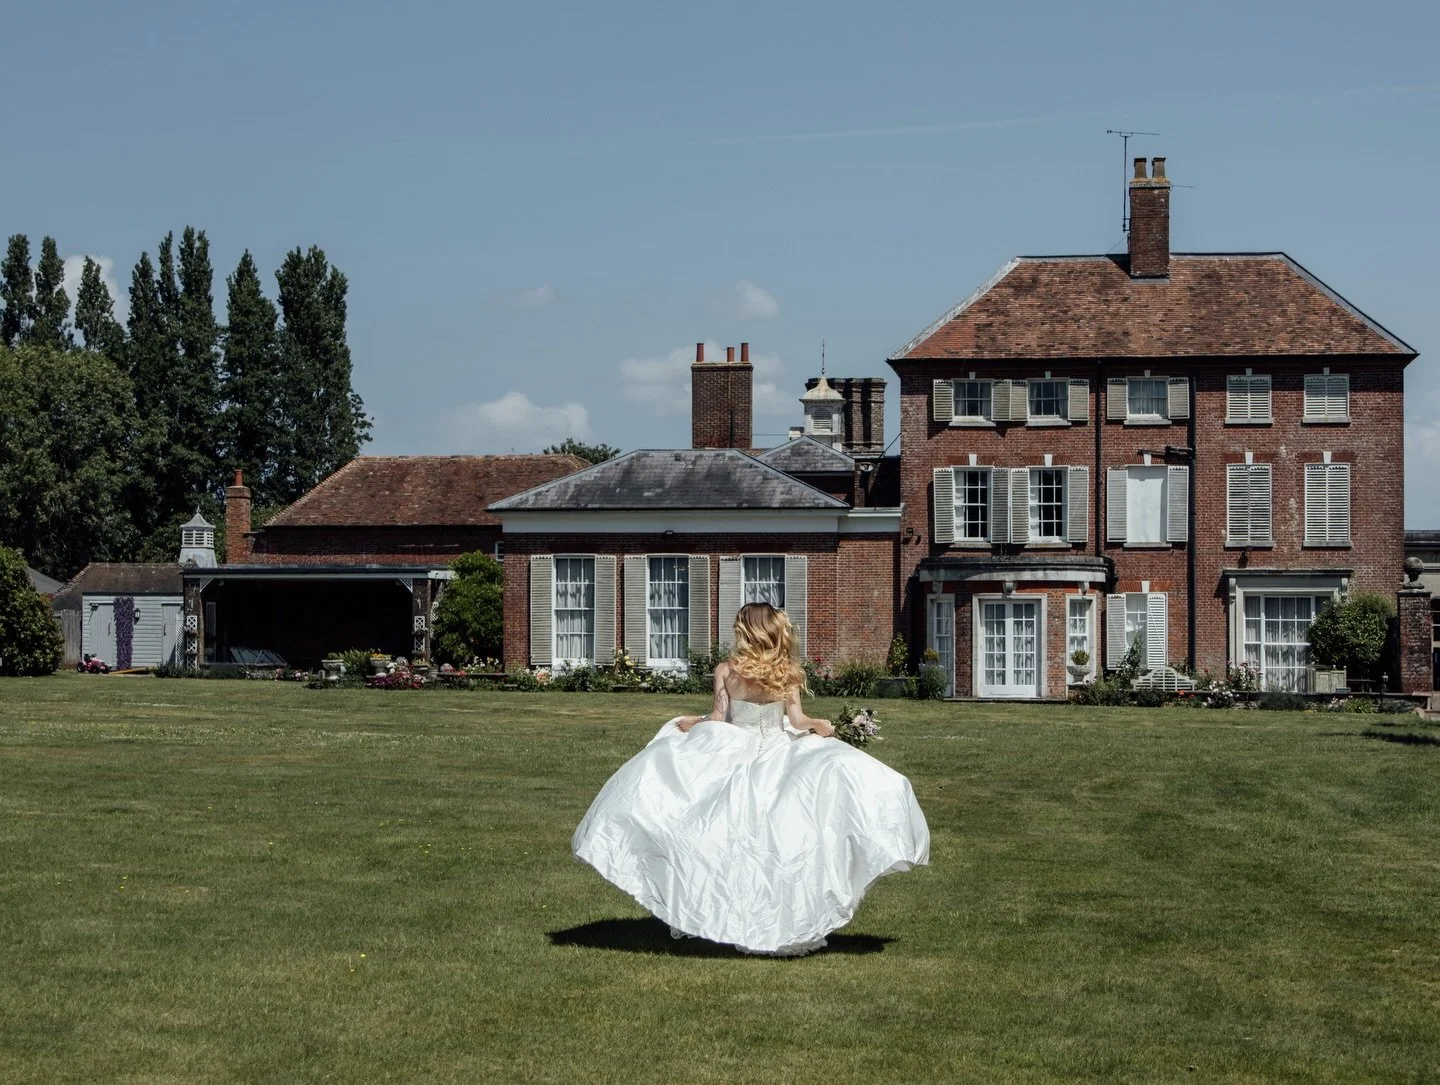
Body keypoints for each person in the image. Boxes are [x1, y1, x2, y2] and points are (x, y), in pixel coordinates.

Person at [572, 602, 930, 956]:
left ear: (746, 631)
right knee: (783, 828)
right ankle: (779, 915)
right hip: (777, 746)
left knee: (717, 822)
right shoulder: (787, 671)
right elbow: (798, 721)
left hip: (733, 745)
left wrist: (690, 723)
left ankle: (722, 909)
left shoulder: (726, 670)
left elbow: (718, 717)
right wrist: (819, 726)